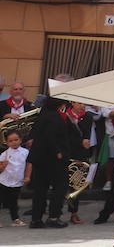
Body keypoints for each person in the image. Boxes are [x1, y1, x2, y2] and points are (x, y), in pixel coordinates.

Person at [26, 97, 68, 228]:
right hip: (52, 159)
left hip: (39, 158)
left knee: (40, 190)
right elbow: (50, 136)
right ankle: (53, 217)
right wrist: (58, 152)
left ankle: (36, 219)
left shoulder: (43, 114)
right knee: (59, 187)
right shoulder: (54, 117)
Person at [0, 130, 27, 226]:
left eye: (16, 139)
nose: (14, 142)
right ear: (7, 143)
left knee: (13, 202)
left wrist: (27, 176)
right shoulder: (4, 154)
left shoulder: (25, 152)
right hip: (3, 181)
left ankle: (15, 218)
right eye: (11, 141)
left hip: (17, 181)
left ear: (20, 140)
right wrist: (3, 166)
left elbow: (28, 165)